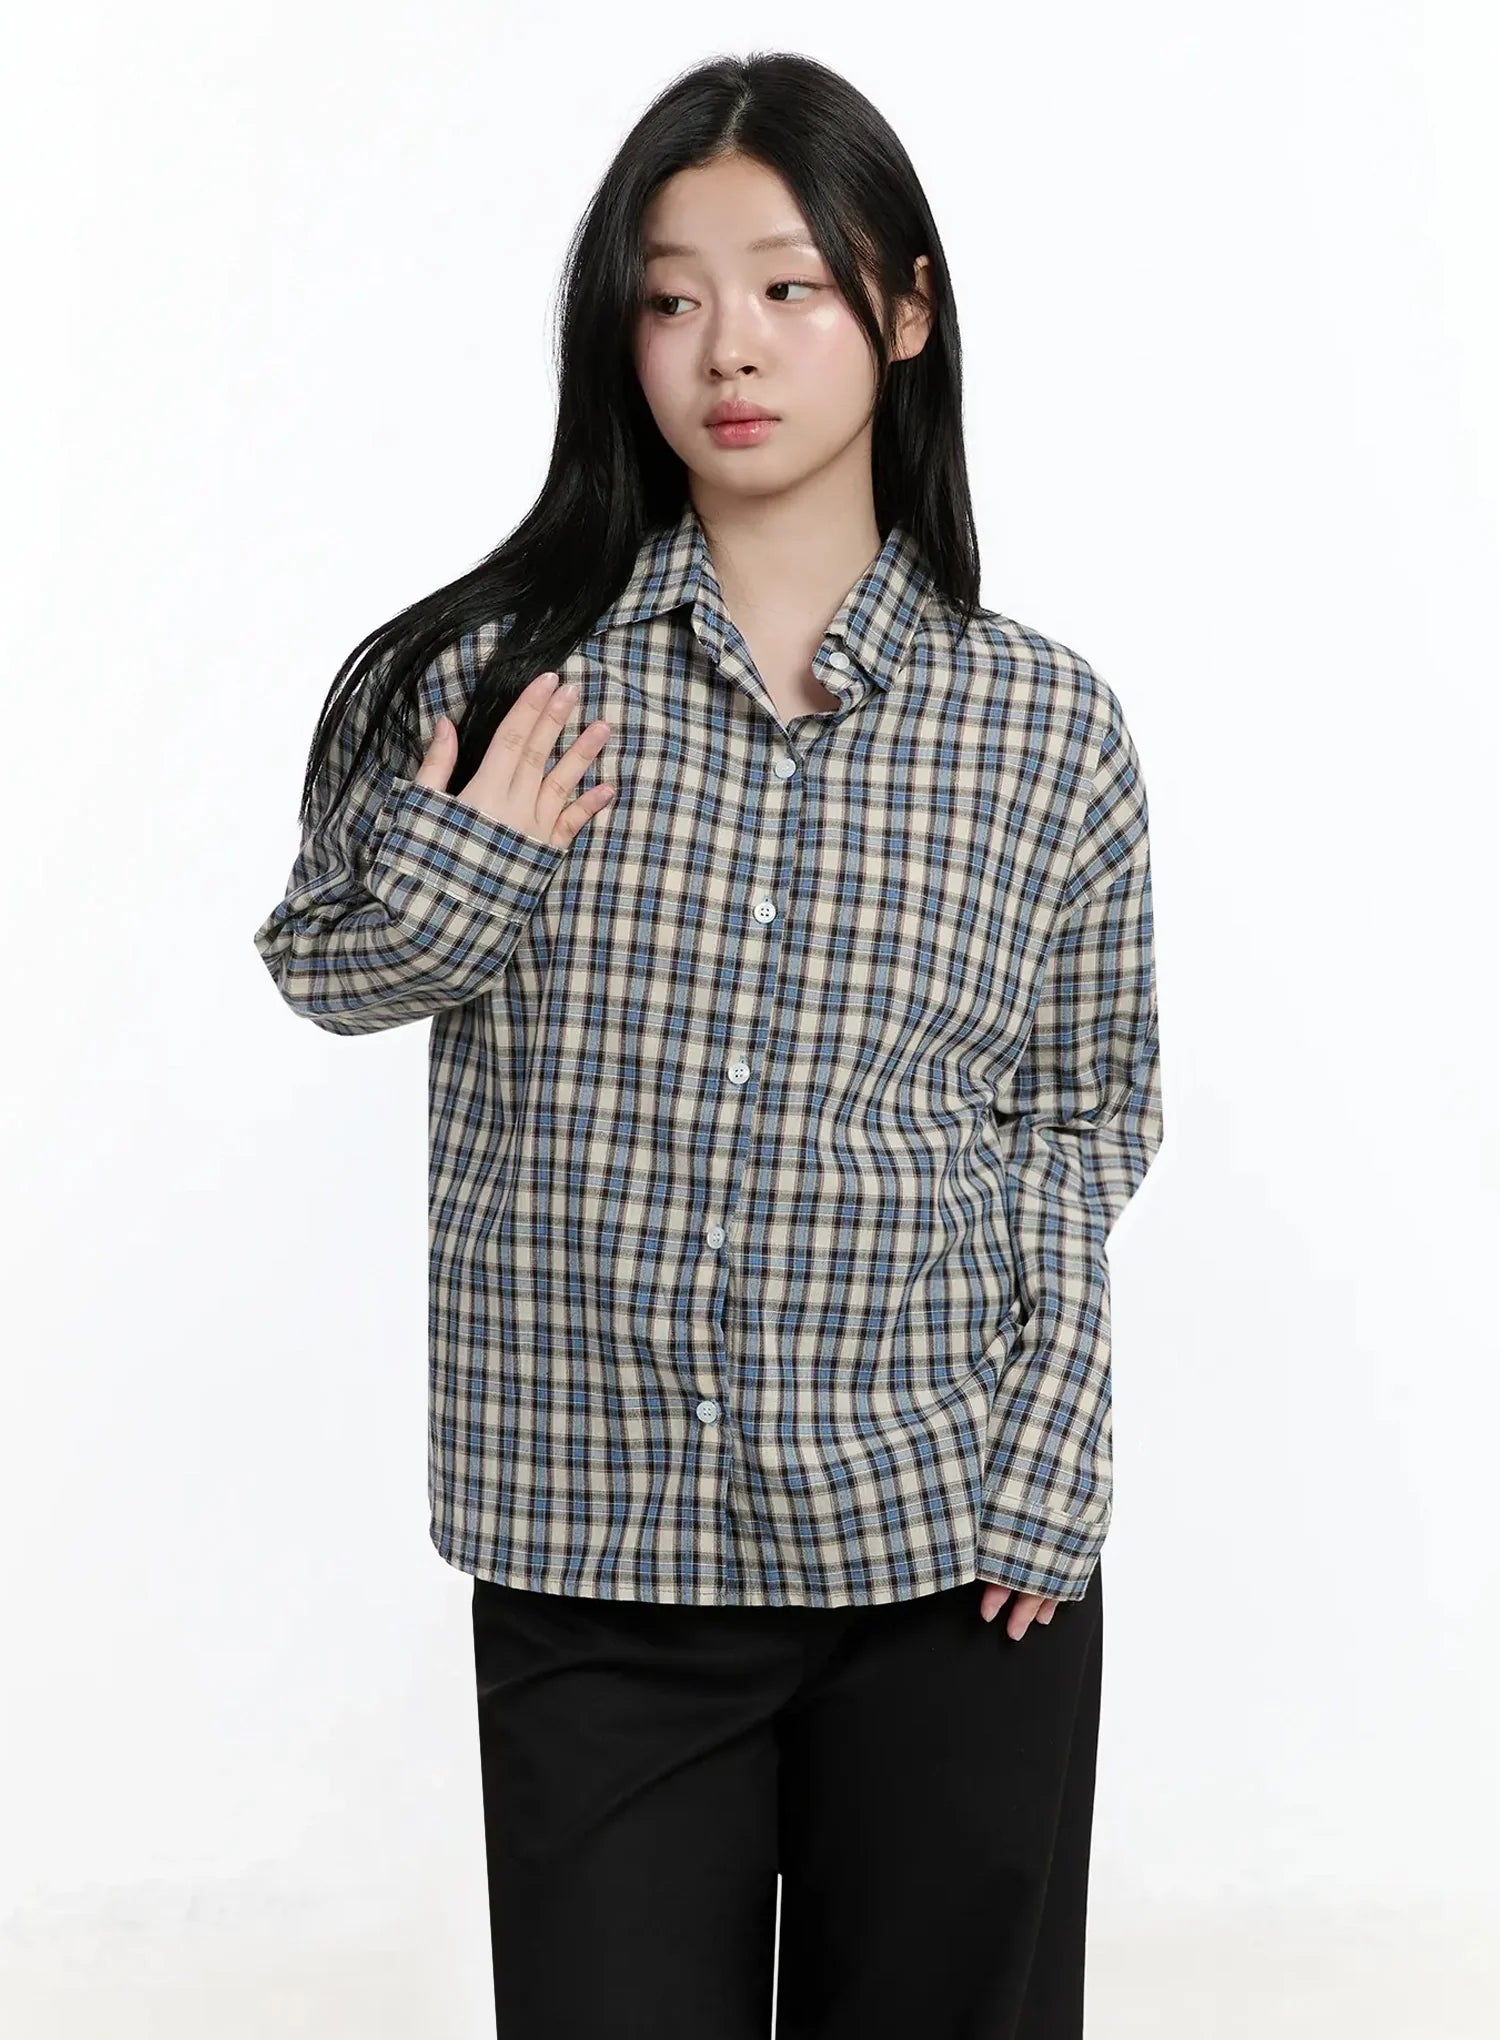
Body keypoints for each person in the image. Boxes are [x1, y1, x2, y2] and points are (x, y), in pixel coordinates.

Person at [251, 49, 1164, 2040]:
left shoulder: (1047, 728)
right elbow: (328, 968)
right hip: (596, 1556)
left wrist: (1055, 1456)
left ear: (903, 314)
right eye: (671, 299)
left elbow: (1082, 1119)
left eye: (786, 287)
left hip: (948, 1557)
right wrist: (477, 863)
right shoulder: (500, 676)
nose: (725, 347)